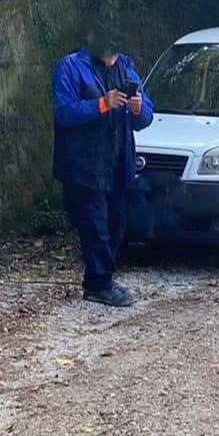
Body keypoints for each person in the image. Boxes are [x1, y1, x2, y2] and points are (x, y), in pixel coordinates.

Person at [52, 37, 154, 307]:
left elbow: (146, 118)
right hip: (83, 165)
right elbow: (63, 113)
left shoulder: (127, 68)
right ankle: (98, 284)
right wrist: (101, 104)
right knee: (95, 226)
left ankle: (103, 278)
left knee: (118, 222)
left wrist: (139, 109)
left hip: (119, 161)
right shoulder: (70, 67)